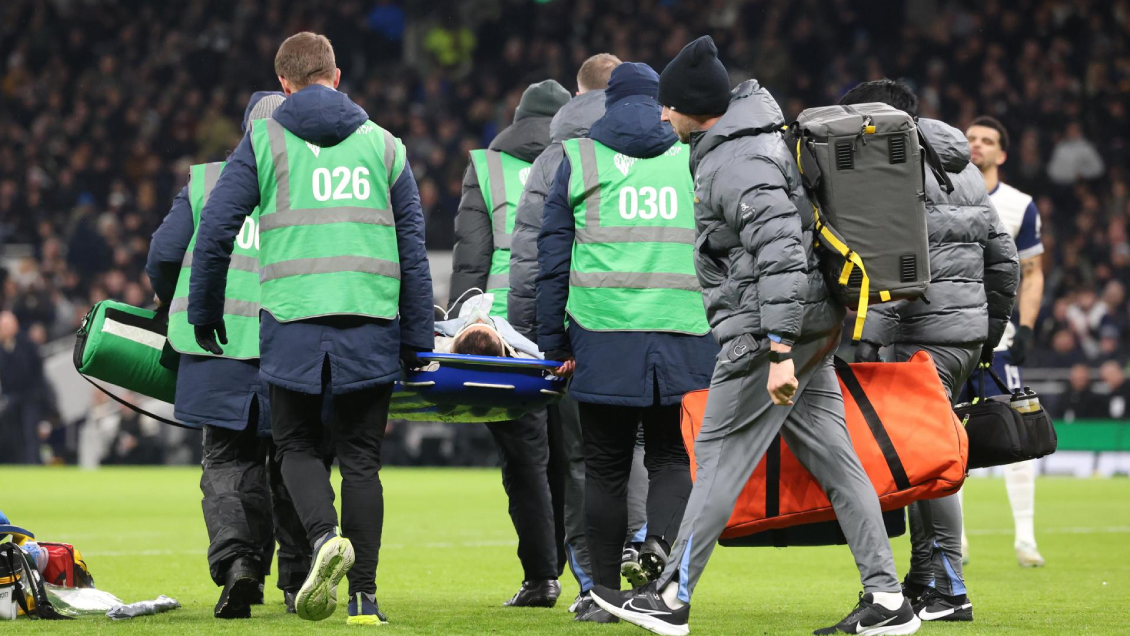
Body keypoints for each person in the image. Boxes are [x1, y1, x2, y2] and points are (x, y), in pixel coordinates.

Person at [591, 38, 919, 636]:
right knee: (838, 463)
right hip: (805, 324)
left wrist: (778, 350)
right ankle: (888, 599)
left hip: (769, 333)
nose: (661, 115)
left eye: (668, 105)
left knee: (717, 457)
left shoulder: (737, 163)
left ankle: (671, 598)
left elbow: (782, 255)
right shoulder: (747, 143)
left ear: (694, 107)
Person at [189, 32, 433, 625]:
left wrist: (205, 311)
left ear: (284, 84)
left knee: (295, 447)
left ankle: (324, 538)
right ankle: (364, 599)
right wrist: (418, 337)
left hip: (293, 322)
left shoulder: (264, 140)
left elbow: (217, 227)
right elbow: (413, 249)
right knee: (362, 462)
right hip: (371, 321)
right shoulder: (385, 146)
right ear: (336, 75)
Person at [536, 60, 719, 613]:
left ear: (608, 103)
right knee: (672, 459)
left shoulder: (578, 157)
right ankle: (659, 551)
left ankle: (603, 594)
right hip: (686, 329)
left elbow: (552, 262)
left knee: (606, 469)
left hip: (603, 332)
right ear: (661, 103)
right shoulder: (692, 155)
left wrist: (553, 343)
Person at [844, 81, 1019, 623]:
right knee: (920, 455)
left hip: (918, 335)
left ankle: (949, 588)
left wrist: (868, 338)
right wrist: (986, 333)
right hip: (961, 335)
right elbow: (1004, 260)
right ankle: (926, 580)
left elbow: (893, 269)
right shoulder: (963, 170)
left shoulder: (892, 168)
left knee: (926, 458)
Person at [147, 92, 315, 619]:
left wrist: (173, 299)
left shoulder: (206, 182)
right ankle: (298, 581)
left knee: (226, 461)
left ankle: (239, 562)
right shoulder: (309, 185)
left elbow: (163, 254)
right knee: (293, 460)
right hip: (290, 347)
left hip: (215, 346)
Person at [509, 52, 651, 622]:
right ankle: (644, 545)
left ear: (577, 94)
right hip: (661, 325)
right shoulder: (668, 148)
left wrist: (531, 338)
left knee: (583, 459)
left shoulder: (559, 156)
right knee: (648, 448)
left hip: (582, 329)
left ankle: (595, 581)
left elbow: (531, 255)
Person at [448, 79, 572, 609]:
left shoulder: (488, 167)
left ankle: (542, 577)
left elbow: (470, 259)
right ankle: (587, 574)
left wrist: (457, 333)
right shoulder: (583, 160)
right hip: (571, 322)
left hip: (503, 334)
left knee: (524, 458)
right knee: (576, 455)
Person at [965, 115, 1047, 568]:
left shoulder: (1020, 205)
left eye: (986, 140)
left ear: (1002, 153)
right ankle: (955, 540)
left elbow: (1033, 273)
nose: (976, 145)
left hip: (998, 341)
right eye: (970, 138)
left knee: (1019, 436)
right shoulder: (940, 192)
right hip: (949, 340)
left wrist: (1027, 327)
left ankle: (1026, 539)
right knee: (948, 439)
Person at [0, 310, 52, 465]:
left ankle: (32, 465)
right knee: (14, 435)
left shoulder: (28, 345)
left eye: (6, 325)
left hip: (30, 397)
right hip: (11, 399)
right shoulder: (2, 349)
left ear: (15, 326)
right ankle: (19, 464)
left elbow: (36, 373)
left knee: (30, 434)